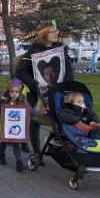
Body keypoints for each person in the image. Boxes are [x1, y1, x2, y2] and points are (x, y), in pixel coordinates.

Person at [16, 23, 74, 165]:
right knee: (37, 120)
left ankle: (60, 145)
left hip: (59, 92)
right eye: (53, 31)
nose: (56, 33)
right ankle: (37, 152)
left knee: (60, 118)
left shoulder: (59, 49)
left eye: (56, 30)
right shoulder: (33, 51)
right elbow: (20, 72)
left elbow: (68, 71)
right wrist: (36, 84)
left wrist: (68, 87)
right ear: (44, 34)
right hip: (37, 94)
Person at [0, 78, 38, 172]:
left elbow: (30, 111)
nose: (14, 94)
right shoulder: (3, 100)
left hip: (17, 126)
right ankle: (2, 155)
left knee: (15, 143)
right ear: (8, 91)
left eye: (17, 92)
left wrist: (41, 112)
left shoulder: (23, 101)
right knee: (4, 141)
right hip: (5, 126)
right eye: (12, 92)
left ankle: (19, 163)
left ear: (20, 92)